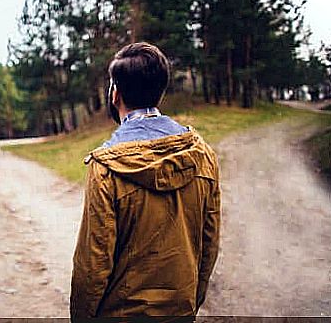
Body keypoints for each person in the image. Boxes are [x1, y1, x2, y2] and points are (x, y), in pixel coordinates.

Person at [70, 42, 221, 318]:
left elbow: (92, 265)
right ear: (160, 92)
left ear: (115, 95)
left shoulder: (106, 167)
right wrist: (190, 303)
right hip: (180, 312)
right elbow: (209, 244)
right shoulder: (203, 155)